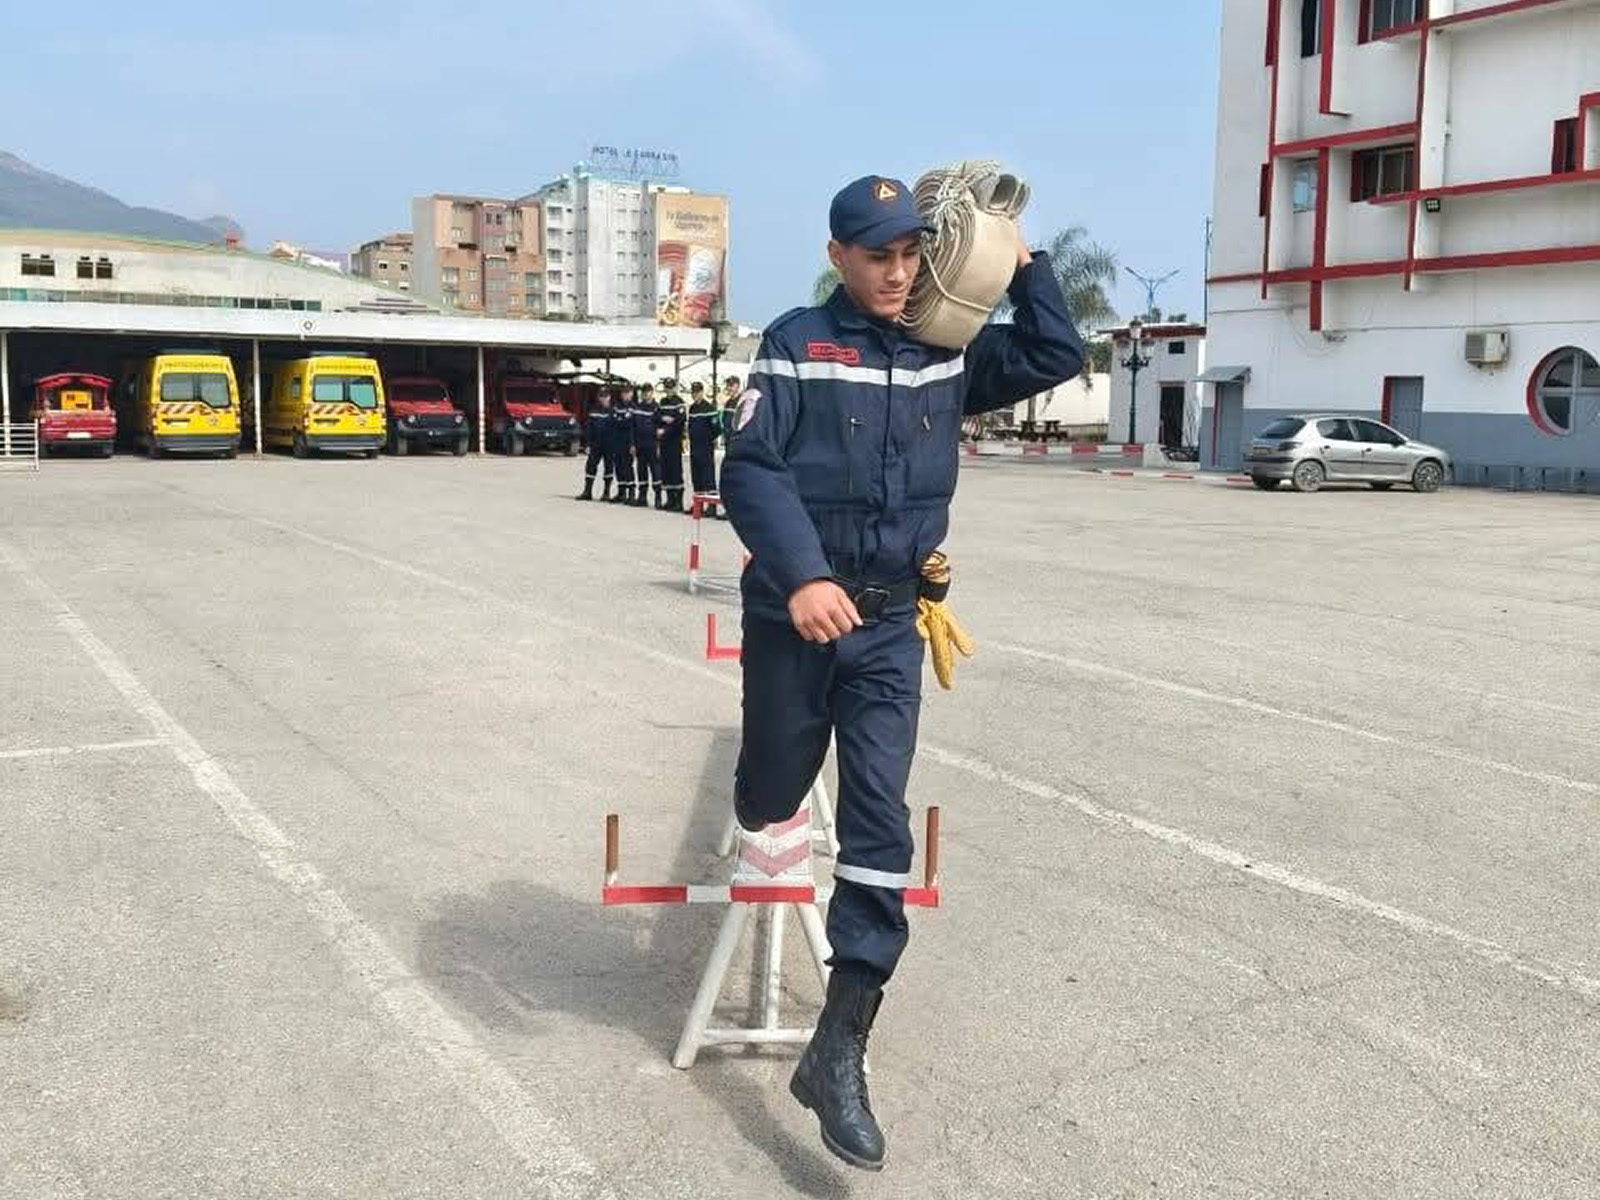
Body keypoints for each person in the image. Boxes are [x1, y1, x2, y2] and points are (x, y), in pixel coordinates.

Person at [720, 174, 1084, 1172]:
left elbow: (1056, 352)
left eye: (911, 253)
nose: (896, 272)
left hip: (888, 629)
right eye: (877, 255)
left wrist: (1022, 259)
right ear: (838, 256)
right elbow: (749, 467)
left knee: (879, 816)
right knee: (773, 793)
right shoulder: (797, 345)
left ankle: (839, 1043)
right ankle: (759, 789)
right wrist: (800, 577)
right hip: (796, 620)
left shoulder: (948, 350)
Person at [686, 381, 721, 518]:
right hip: (694, 446)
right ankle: (698, 505)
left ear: (702, 392)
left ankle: (712, 506)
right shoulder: (692, 408)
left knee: (708, 476)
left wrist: (707, 439)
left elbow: (717, 429)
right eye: (693, 392)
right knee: (696, 476)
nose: (695, 395)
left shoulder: (709, 408)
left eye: (697, 392)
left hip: (705, 447)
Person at [576, 386, 615, 501]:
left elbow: (617, 429)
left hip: (609, 444)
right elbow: (589, 429)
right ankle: (587, 492)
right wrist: (587, 444)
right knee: (590, 466)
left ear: (609, 397)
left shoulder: (614, 411)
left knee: (609, 467)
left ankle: (606, 493)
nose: (603, 399)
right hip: (596, 444)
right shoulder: (593, 411)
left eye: (605, 396)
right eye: (601, 396)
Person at [655, 377, 687, 512]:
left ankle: (678, 502)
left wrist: (666, 429)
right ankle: (670, 500)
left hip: (674, 440)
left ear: (675, 388)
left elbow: (680, 420)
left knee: (675, 470)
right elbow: (656, 416)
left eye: (671, 387)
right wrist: (663, 418)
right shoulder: (662, 402)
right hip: (664, 442)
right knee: (666, 470)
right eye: (666, 387)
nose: (668, 390)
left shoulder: (679, 402)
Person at [632, 383, 661, 508]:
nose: (645, 394)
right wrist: (633, 444)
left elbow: (660, 426)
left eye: (648, 392)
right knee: (641, 471)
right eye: (644, 392)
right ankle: (642, 497)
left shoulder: (657, 408)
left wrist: (659, 444)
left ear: (652, 392)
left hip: (652, 444)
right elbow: (633, 427)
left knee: (656, 471)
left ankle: (658, 497)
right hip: (640, 444)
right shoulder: (637, 407)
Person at [610, 384, 637, 504]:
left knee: (627, 467)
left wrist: (633, 444)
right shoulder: (617, 406)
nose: (625, 395)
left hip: (628, 441)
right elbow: (613, 420)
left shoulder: (634, 407)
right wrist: (621, 420)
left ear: (632, 394)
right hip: (617, 441)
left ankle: (631, 493)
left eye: (628, 393)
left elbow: (630, 424)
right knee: (618, 466)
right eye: (623, 393)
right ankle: (621, 493)